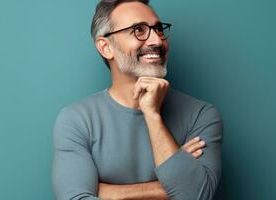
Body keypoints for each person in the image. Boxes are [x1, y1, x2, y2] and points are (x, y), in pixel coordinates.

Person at [52, 0, 223, 199]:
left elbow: (196, 196)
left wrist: (152, 115)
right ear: (106, 47)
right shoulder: (76, 120)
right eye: (139, 30)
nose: (157, 41)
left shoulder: (202, 115)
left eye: (158, 29)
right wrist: (168, 186)